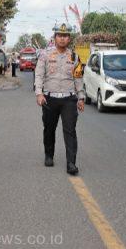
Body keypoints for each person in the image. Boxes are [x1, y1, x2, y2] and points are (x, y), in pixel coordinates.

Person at [34, 23, 85, 175]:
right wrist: (39, 93)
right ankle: (49, 155)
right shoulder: (45, 54)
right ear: (55, 37)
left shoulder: (74, 56)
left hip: (69, 99)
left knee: (70, 130)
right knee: (49, 129)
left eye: (66, 36)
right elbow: (39, 74)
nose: (62, 39)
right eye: (60, 35)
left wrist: (81, 97)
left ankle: (71, 163)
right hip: (50, 98)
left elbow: (78, 78)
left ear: (69, 38)